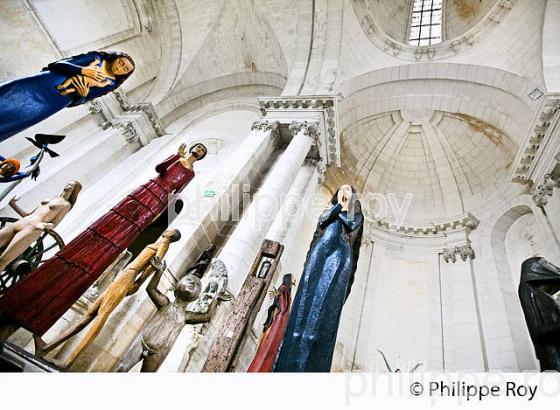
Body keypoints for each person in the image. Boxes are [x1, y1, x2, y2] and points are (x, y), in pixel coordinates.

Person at [0, 143, 206, 339]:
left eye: (202, 151)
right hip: (148, 189)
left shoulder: (191, 173)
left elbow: (176, 192)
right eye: (198, 147)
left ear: (202, 156)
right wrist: (176, 156)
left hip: (158, 199)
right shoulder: (177, 160)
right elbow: (160, 169)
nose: (198, 150)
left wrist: (158, 214)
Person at [34, 229, 181, 368]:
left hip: (127, 277)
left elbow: (155, 264)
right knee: (90, 314)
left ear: (172, 235)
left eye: (171, 231)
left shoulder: (164, 244)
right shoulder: (160, 243)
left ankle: (68, 363)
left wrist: (137, 283)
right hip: (125, 276)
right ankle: (46, 348)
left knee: (100, 317)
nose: (167, 231)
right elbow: (154, 264)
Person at [274, 184, 364, 372]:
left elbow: (350, 227)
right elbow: (322, 222)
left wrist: (343, 208)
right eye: (341, 189)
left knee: (325, 308)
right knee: (303, 303)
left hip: (340, 254)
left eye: (348, 190)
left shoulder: (356, 215)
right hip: (319, 250)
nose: (343, 192)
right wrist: (338, 207)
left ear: (353, 196)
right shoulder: (329, 209)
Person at [0, 51, 135, 142]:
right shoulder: (97, 58)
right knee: (6, 96)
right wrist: (82, 70)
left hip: (54, 102)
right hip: (42, 83)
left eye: (125, 70)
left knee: (18, 121)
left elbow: (80, 101)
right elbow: (57, 65)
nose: (120, 68)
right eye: (121, 63)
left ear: (125, 74)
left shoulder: (110, 84)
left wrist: (82, 95)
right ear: (117, 58)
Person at [0, 181, 81, 273]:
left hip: (33, 229)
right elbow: (27, 214)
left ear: (74, 190)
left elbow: (54, 224)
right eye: (68, 183)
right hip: (22, 222)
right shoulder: (51, 197)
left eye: (72, 185)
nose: (68, 185)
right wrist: (13, 204)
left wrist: (44, 225)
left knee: (3, 261)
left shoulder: (66, 205)